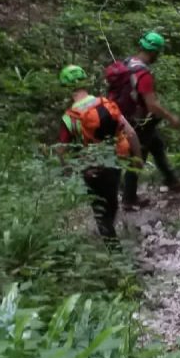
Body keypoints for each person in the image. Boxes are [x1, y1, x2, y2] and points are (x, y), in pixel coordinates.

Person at [56, 65, 142, 250]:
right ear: (85, 82)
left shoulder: (69, 118)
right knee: (112, 202)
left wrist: (67, 171)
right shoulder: (106, 103)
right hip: (114, 161)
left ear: (66, 88)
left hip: (90, 169)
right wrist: (138, 158)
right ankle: (112, 237)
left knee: (100, 211)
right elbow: (131, 133)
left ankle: (114, 251)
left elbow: (61, 151)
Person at [104, 31, 180, 211]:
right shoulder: (143, 74)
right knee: (137, 156)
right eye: (158, 52)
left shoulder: (127, 63)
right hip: (139, 121)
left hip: (122, 117)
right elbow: (152, 105)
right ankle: (129, 199)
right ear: (154, 52)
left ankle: (171, 179)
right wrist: (171, 117)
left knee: (156, 145)